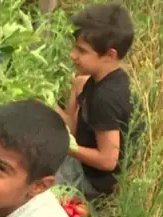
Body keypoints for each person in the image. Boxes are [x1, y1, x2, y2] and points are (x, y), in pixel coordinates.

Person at [54, 2, 139, 200]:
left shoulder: (106, 98)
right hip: (85, 164)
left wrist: (66, 147)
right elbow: (74, 129)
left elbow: (108, 160)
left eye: (82, 51)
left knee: (31, 183)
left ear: (110, 55)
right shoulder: (102, 79)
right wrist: (48, 105)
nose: (72, 55)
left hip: (92, 181)